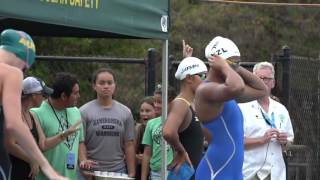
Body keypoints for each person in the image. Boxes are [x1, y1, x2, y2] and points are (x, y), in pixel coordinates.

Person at [194, 36, 268, 180]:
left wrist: (233, 65)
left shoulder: (226, 93)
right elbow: (237, 86)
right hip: (215, 172)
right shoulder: (206, 90)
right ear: (217, 62)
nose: (236, 67)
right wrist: (225, 66)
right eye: (233, 62)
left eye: (238, 63)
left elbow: (262, 90)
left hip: (233, 172)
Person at [0, 29, 66, 180]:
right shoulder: (11, 73)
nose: (22, 72)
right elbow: (14, 124)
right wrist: (47, 168)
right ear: (25, 58)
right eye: (25, 68)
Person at [239, 62, 294, 180]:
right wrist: (261, 140)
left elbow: (289, 143)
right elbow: (235, 141)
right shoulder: (242, 108)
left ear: (273, 83)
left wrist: (284, 142)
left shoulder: (281, 109)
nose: (263, 82)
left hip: (276, 174)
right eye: (259, 78)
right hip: (250, 173)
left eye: (267, 79)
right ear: (252, 81)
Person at [79, 68, 136, 178]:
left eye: (110, 83)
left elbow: (129, 144)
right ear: (94, 86)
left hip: (118, 170)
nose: (106, 86)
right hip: (91, 171)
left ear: (115, 85)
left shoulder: (126, 112)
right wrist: (84, 163)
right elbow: (81, 142)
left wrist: (132, 172)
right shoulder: (83, 111)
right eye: (101, 83)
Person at [31, 72, 83, 180]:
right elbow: (38, 147)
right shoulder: (36, 113)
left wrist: (83, 160)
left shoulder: (76, 111)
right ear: (64, 96)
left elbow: (80, 142)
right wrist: (63, 135)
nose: (79, 96)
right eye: (75, 93)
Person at [163, 55, 208, 179]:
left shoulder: (190, 103)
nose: (206, 80)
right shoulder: (180, 104)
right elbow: (168, 132)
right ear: (189, 78)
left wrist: (187, 59)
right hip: (183, 175)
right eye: (203, 76)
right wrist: (181, 151)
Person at [5, 77, 53, 180]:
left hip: (29, 173)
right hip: (14, 171)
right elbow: (10, 144)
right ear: (34, 95)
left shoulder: (32, 115)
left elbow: (42, 144)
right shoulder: (14, 114)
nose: (45, 99)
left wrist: (64, 134)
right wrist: (31, 159)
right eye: (43, 95)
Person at [141, 87, 176, 180]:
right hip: (155, 172)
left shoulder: (178, 121)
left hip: (173, 171)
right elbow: (147, 153)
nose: (156, 105)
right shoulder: (151, 123)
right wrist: (143, 178)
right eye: (154, 102)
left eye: (159, 102)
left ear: (171, 102)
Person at [135, 96, 157, 180]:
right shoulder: (139, 128)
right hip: (140, 171)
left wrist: (147, 158)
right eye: (142, 111)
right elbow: (132, 152)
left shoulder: (161, 128)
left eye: (147, 111)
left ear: (156, 111)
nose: (144, 114)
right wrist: (137, 157)